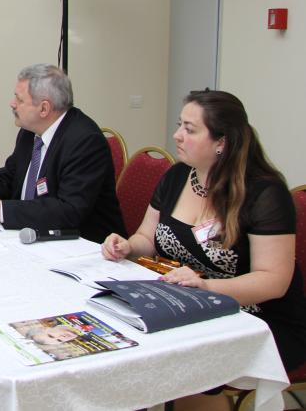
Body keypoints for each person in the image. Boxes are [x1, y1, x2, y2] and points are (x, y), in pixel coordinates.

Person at [102, 90, 306, 409]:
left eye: (190, 129)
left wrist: (207, 289)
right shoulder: (176, 176)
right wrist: (127, 246)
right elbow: (147, 238)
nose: (177, 135)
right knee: (123, 337)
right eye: (179, 125)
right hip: (190, 302)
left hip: (257, 318)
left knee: (180, 360)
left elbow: (273, 281)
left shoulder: (264, 193)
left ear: (221, 142)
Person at [0, 64, 125, 243]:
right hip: (33, 236)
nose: (12, 104)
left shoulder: (85, 141)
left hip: (87, 247)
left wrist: (1, 210)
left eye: (19, 99)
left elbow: (69, 210)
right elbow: (8, 178)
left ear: (44, 108)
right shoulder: (30, 131)